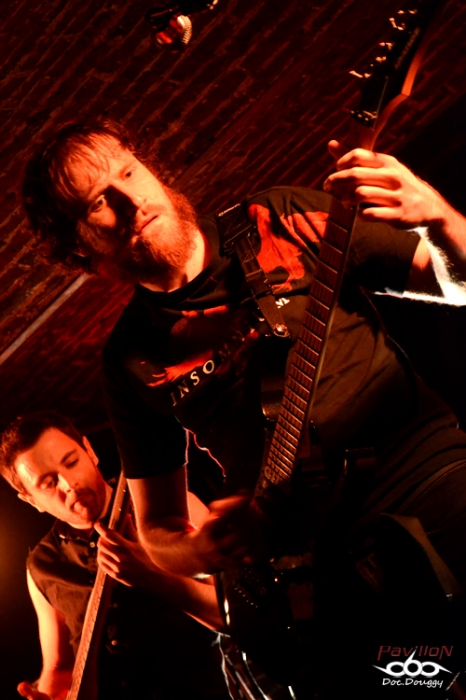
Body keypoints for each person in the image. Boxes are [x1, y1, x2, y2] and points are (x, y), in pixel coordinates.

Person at [22, 119, 466, 695]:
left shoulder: (276, 218)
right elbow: (157, 528)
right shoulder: (129, 357)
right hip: (317, 567)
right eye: (98, 203)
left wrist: (440, 217)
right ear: (81, 248)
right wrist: (201, 548)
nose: (131, 200)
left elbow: (458, 282)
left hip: (427, 481)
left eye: (128, 173)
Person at [0, 412, 232, 700]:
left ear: (90, 451)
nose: (68, 483)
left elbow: (237, 614)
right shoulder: (41, 565)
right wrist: (46, 694)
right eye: (48, 483)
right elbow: (60, 668)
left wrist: (153, 576)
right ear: (31, 500)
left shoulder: (171, 507)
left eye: (71, 462)